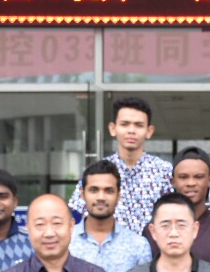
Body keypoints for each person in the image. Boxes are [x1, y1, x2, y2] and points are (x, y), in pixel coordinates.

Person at [69, 96, 175, 234]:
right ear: (113, 129)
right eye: (125, 124)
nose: (131, 130)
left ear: (149, 131)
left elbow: (175, 216)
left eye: (139, 125)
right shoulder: (96, 172)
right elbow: (76, 216)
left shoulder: (164, 172)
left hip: (153, 247)